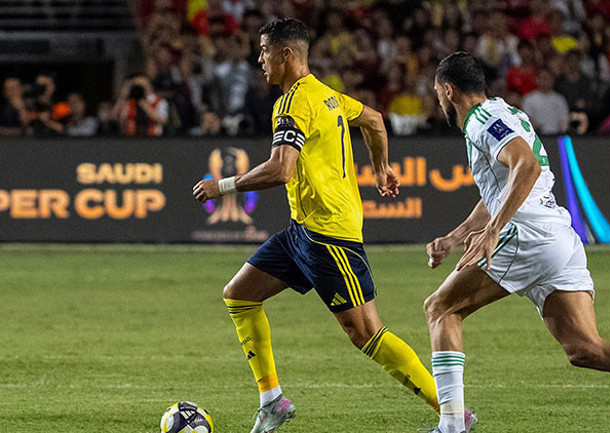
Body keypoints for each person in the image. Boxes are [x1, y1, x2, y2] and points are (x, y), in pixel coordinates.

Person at [192, 19, 475, 433]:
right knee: (239, 295)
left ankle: (452, 411)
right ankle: (272, 401)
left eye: (264, 51)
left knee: (366, 334)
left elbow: (281, 169)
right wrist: (381, 168)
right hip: (302, 231)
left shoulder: (294, 104)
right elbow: (374, 119)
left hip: (330, 237)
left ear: (286, 54)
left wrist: (222, 186)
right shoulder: (326, 95)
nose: (260, 59)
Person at [423, 51, 610, 433]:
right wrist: (456, 236)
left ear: (449, 90)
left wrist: (495, 229)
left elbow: (527, 167)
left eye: (437, 93)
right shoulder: (504, 113)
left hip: (526, 235)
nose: (438, 100)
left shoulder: (482, 120)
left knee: (441, 309)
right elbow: (502, 188)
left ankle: (451, 426)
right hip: (557, 239)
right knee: (585, 349)